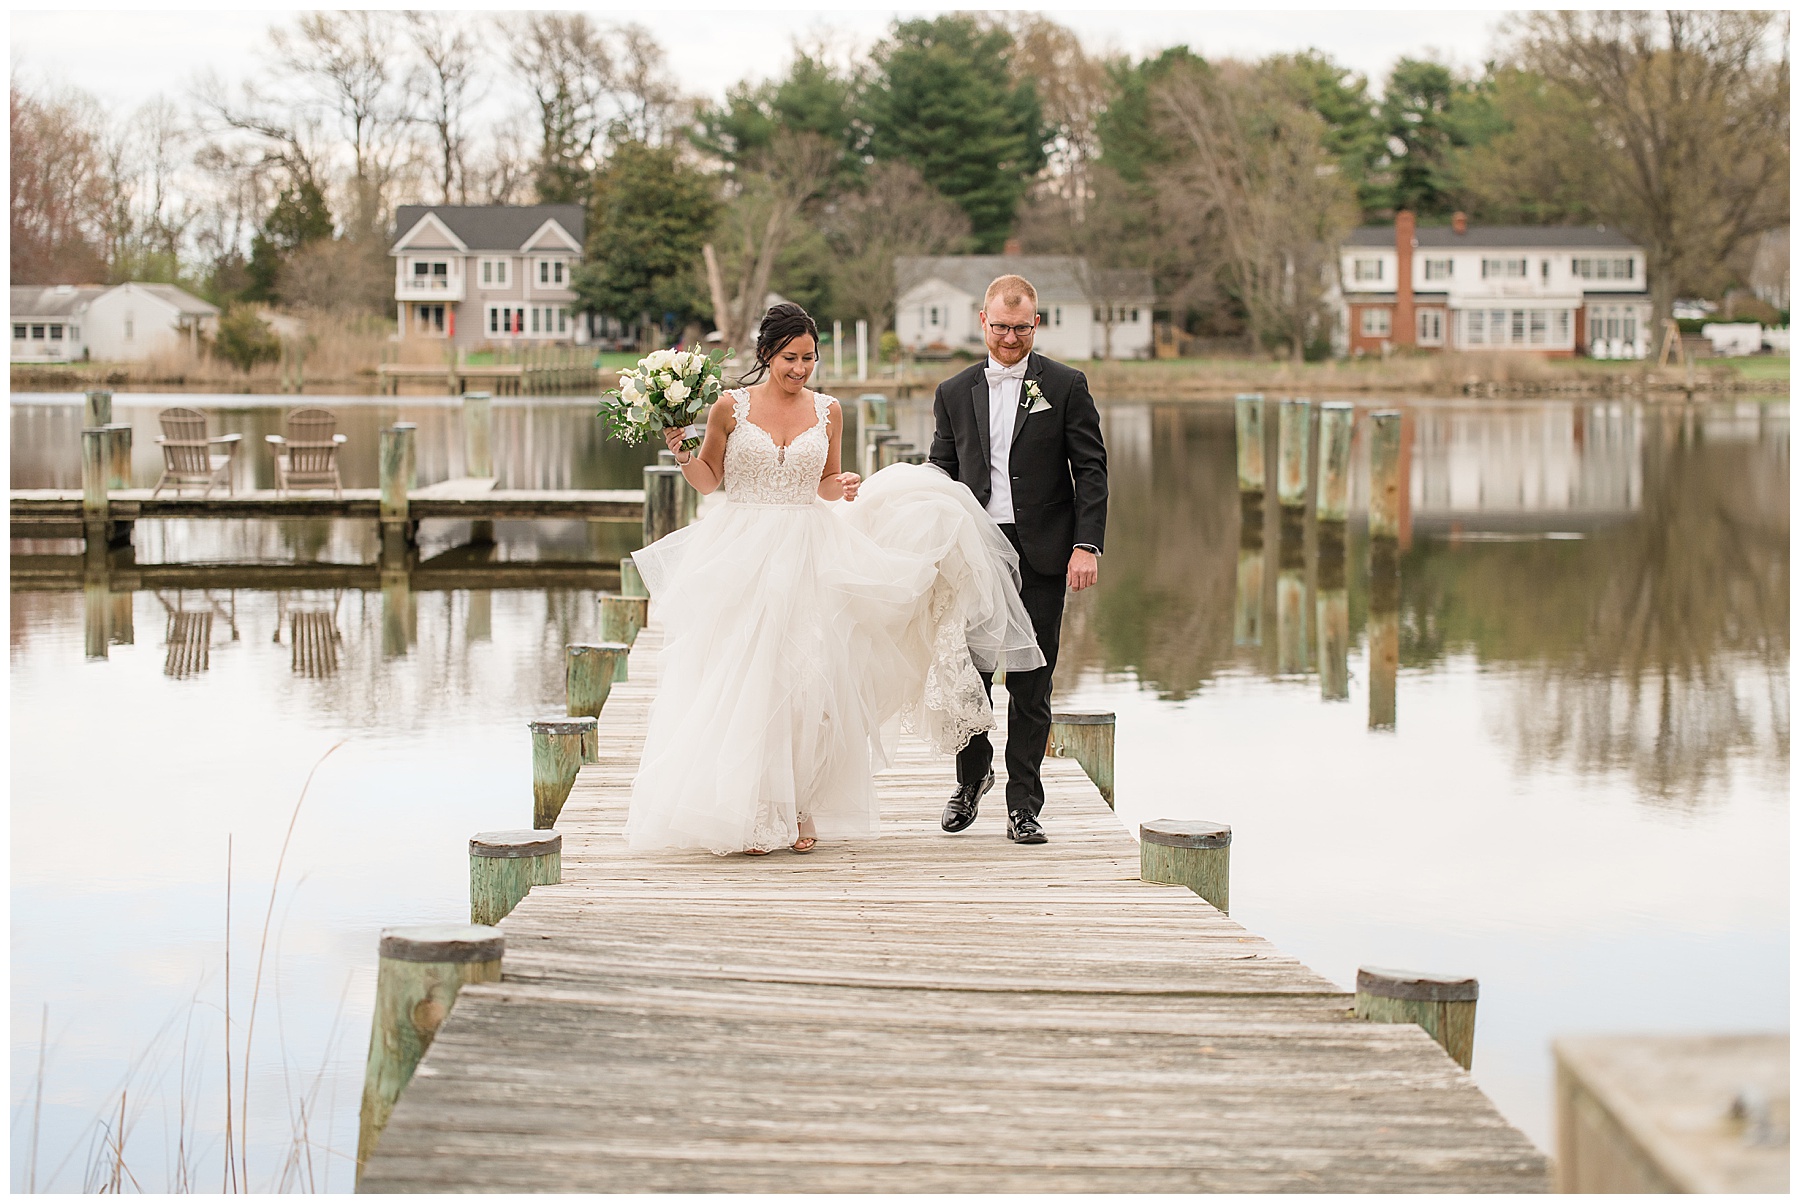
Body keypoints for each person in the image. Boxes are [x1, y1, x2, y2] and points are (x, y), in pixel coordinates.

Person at [624, 303, 1044, 856]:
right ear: (767, 353)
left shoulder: (828, 410)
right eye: (790, 357)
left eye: (809, 358)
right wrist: (680, 446)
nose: (800, 368)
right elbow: (709, 481)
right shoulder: (731, 406)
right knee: (747, 677)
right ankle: (750, 808)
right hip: (742, 548)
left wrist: (842, 485)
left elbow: (823, 483)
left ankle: (798, 806)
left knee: (807, 679)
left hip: (809, 549)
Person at [928, 274, 1108, 844]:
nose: (1010, 338)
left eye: (1021, 328)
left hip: (1044, 552)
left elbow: (1092, 470)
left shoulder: (1066, 384)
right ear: (983, 321)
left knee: (1031, 680)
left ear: (1037, 323)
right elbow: (941, 472)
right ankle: (971, 779)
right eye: (1001, 327)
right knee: (970, 677)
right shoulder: (954, 392)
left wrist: (1087, 544)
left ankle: (1024, 806)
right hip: (976, 552)